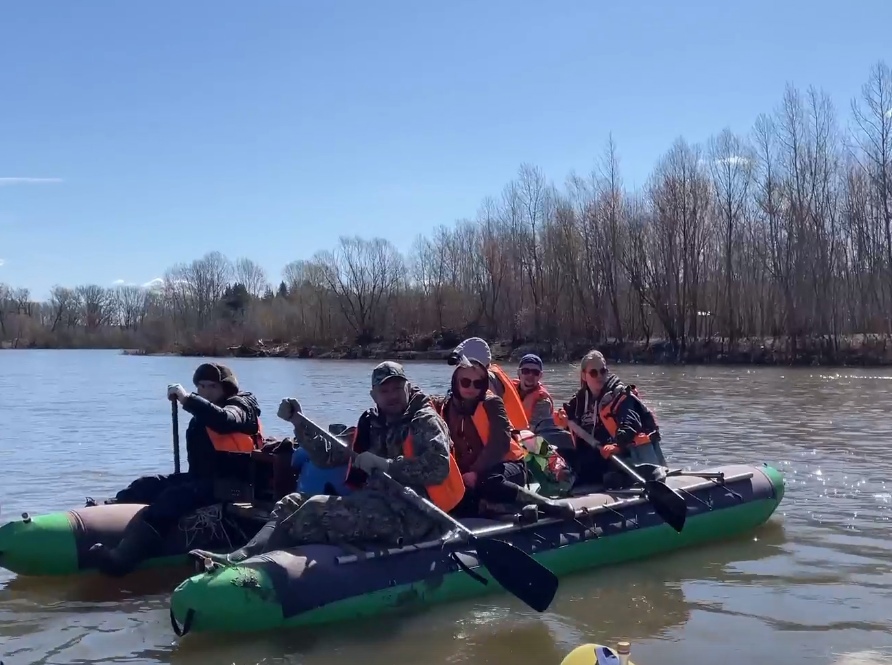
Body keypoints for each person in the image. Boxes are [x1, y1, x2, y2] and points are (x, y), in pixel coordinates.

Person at [188, 361, 465, 567]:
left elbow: (437, 467)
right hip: (377, 501)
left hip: (416, 513)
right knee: (291, 502)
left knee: (315, 510)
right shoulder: (371, 423)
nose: (392, 395)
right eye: (385, 390)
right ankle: (243, 556)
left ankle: (254, 566)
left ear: (407, 387)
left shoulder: (424, 421)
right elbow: (326, 458)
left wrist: (387, 465)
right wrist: (298, 423)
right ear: (374, 395)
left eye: (397, 388)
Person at [90, 363, 262, 576]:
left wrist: (188, 399)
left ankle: (123, 560)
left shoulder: (241, 407)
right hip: (202, 479)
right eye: (201, 386)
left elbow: (225, 420)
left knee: (171, 499)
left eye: (212, 387)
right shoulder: (206, 410)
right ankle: (101, 515)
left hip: (231, 486)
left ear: (226, 389)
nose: (206, 392)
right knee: (145, 485)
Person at [434, 352, 575, 519]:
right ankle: (498, 509)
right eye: (465, 382)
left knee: (488, 480)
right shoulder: (445, 406)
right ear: (456, 383)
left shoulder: (493, 403)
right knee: (454, 494)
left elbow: (499, 444)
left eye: (477, 383)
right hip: (470, 471)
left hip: (507, 465)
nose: (471, 388)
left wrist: (475, 473)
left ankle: (545, 504)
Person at [562, 350, 666, 488]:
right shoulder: (578, 403)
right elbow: (571, 427)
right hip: (596, 454)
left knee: (609, 475)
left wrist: (618, 446)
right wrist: (563, 423)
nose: (599, 376)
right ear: (584, 376)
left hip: (626, 455)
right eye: (594, 373)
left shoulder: (621, 396)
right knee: (562, 454)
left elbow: (630, 425)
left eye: (603, 371)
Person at [446, 337, 530, 431]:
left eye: (460, 365)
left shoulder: (485, 382)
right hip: (518, 430)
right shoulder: (490, 375)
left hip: (511, 433)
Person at [512, 353, 574, 451]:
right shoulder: (507, 389)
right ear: (519, 373)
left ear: (540, 375)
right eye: (526, 371)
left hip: (532, 442)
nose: (530, 375)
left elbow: (531, 431)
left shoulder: (543, 401)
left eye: (535, 372)